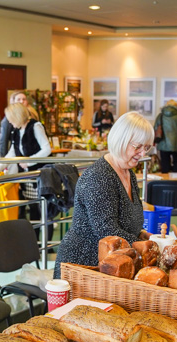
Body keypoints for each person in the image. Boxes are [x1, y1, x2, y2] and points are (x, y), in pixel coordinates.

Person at [54, 112, 152, 277]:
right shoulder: (98, 177)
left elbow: (125, 222)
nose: (143, 154)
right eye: (137, 147)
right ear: (121, 141)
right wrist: (147, 245)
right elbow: (108, 231)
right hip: (82, 267)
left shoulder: (129, 173)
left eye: (146, 148)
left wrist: (143, 234)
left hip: (110, 265)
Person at [0, 103, 52, 235]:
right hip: (26, 178)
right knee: (32, 211)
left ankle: (45, 245)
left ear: (17, 116)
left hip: (38, 176)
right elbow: (12, 153)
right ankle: (34, 243)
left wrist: (29, 161)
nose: (9, 121)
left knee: (42, 212)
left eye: (10, 118)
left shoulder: (36, 126)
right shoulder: (16, 131)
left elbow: (47, 149)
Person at [0, 91, 37, 157]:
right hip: (14, 154)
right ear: (13, 102)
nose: (22, 101)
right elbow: (3, 141)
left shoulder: (31, 114)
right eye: (19, 99)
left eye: (24, 99)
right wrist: (4, 159)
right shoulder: (9, 118)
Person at [154, 100, 177, 173]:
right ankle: (176, 181)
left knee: (165, 163)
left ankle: (165, 181)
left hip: (163, 143)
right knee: (176, 162)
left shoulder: (161, 116)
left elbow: (155, 128)